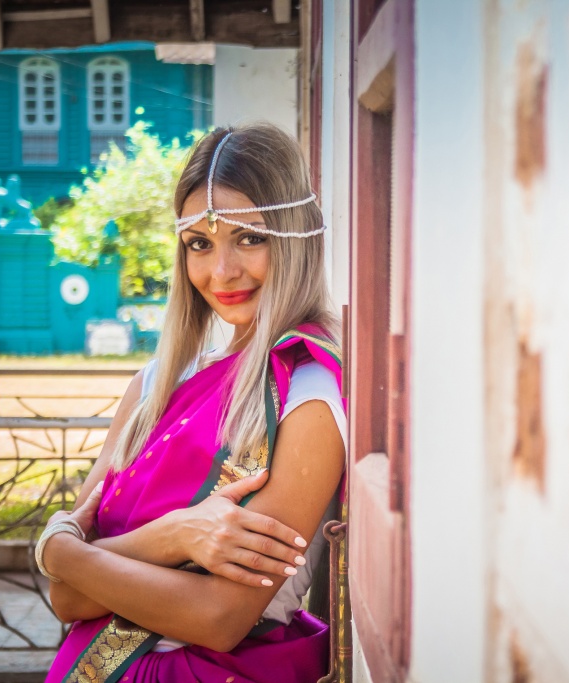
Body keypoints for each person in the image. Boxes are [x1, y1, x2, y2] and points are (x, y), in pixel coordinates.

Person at [40, 123, 346, 683]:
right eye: (199, 244)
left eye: (249, 238)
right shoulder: (155, 384)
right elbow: (65, 599)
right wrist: (173, 536)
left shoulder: (308, 396)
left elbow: (220, 617)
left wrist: (60, 550)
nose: (221, 272)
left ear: (295, 236)